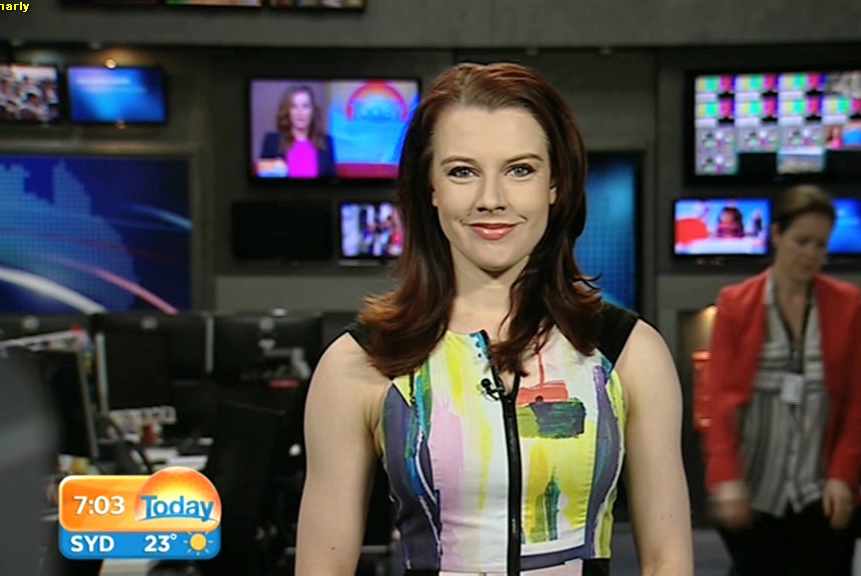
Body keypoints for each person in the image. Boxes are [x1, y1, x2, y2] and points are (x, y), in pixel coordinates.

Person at [295, 62, 693, 576]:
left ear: (555, 184)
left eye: (520, 170)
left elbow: (667, 561)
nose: (491, 200)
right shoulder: (360, 363)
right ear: (430, 187)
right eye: (462, 171)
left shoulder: (628, 353)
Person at [702, 184, 861, 576]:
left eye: (821, 245)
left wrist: (843, 477)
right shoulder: (736, 304)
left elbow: (858, 401)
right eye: (802, 241)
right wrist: (726, 477)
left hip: (821, 494)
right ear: (777, 235)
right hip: (756, 493)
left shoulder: (848, 305)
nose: (811, 254)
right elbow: (719, 399)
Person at [258, 85, 335, 178]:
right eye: (294, 107)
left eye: (305, 106)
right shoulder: (272, 141)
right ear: (287, 112)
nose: (300, 112)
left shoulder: (326, 142)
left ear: (312, 111)